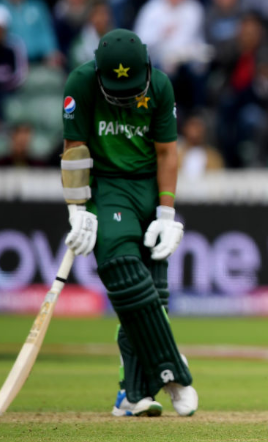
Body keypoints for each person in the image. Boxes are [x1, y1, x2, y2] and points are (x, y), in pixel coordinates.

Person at [61, 29, 198, 417]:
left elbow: (167, 152)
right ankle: (172, 370)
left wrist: (167, 213)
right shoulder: (81, 83)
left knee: (154, 293)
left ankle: (132, 394)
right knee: (122, 269)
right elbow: (74, 149)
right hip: (108, 186)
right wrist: (78, 208)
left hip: (148, 186)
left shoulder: (160, 85)